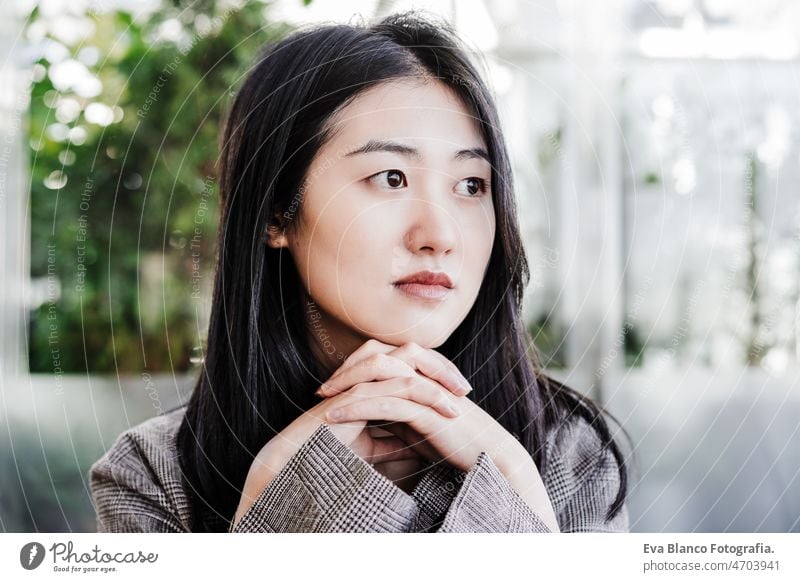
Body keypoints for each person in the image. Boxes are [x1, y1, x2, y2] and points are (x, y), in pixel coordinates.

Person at [89, 10, 630, 533]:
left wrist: (517, 489)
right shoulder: (156, 474)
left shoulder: (570, 454)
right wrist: (277, 508)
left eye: (471, 185)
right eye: (391, 178)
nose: (440, 236)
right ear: (278, 212)